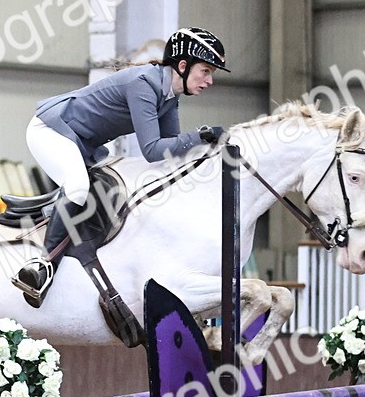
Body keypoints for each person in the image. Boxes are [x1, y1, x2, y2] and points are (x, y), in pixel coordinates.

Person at [12, 26, 230, 307]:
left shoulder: (169, 96)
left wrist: (206, 150)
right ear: (184, 66)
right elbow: (152, 150)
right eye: (206, 71)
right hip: (52, 130)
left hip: (82, 143)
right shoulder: (143, 83)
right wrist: (198, 136)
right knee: (78, 188)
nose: (210, 80)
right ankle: (41, 266)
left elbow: (171, 152)